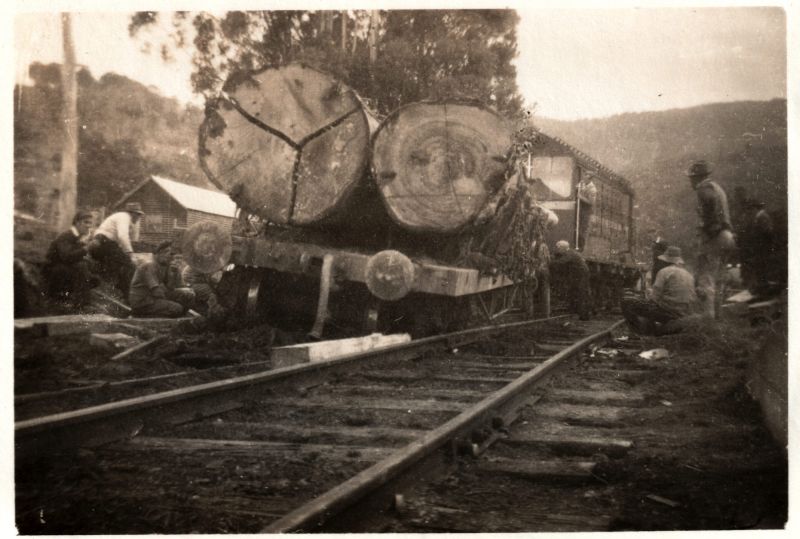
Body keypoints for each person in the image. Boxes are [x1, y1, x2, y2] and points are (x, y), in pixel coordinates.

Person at [686, 160, 735, 317]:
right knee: (719, 280)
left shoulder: (703, 188)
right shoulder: (718, 188)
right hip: (727, 236)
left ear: (697, 177)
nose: (690, 181)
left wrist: (708, 230)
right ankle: (718, 317)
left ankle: (708, 321)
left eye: (691, 178)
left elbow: (711, 209)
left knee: (705, 279)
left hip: (716, 236)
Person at [621, 246, 698, 335]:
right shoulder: (688, 274)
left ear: (666, 260)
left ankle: (638, 333)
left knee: (627, 302)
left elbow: (654, 298)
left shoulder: (664, 272)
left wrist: (647, 295)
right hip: (684, 313)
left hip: (668, 312)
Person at [43, 210, 99, 309]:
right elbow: (67, 257)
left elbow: (76, 256)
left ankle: (72, 298)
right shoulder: (67, 235)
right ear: (77, 223)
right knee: (81, 267)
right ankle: (82, 303)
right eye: (85, 222)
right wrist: (86, 248)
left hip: (64, 267)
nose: (88, 226)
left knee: (93, 278)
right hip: (53, 269)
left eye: (90, 223)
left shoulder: (78, 237)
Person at [88, 202, 145, 300]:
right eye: (137, 214)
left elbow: (131, 240)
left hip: (105, 243)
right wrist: (131, 255)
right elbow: (122, 236)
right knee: (129, 264)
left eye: (140, 215)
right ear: (131, 213)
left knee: (119, 263)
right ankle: (126, 295)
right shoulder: (124, 217)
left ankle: (118, 290)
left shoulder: (126, 220)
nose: (138, 217)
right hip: (103, 243)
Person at [128, 241, 195, 318]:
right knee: (176, 308)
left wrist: (174, 274)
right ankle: (144, 317)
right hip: (143, 302)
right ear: (158, 254)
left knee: (188, 296)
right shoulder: (149, 266)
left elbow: (170, 288)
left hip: (153, 299)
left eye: (170, 253)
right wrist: (170, 301)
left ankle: (178, 317)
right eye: (165, 253)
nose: (169, 256)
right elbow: (156, 291)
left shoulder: (164, 267)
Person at [737, 197, 776, 296]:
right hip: (762, 247)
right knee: (760, 268)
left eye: (750, 209)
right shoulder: (760, 217)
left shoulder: (762, 217)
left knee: (761, 268)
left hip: (763, 247)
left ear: (755, 208)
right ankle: (761, 288)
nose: (749, 212)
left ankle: (763, 289)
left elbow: (767, 232)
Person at [550, 240, 592, 320]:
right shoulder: (569, 252)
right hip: (578, 274)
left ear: (563, 248)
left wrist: (550, 262)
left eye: (558, 248)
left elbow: (561, 262)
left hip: (581, 274)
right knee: (576, 291)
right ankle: (577, 311)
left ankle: (584, 315)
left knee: (581, 293)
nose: (557, 250)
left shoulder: (570, 254)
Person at [576, 174, 597, 251]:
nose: (584, 179)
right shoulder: (584, 184)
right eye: (584, 177)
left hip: (586, 211)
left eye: (586, 178)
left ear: (590, 179)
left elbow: (591, 202)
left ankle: (581, 248)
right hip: (581, 209)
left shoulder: (593, 189)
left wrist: (580, 197)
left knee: (582, 229)